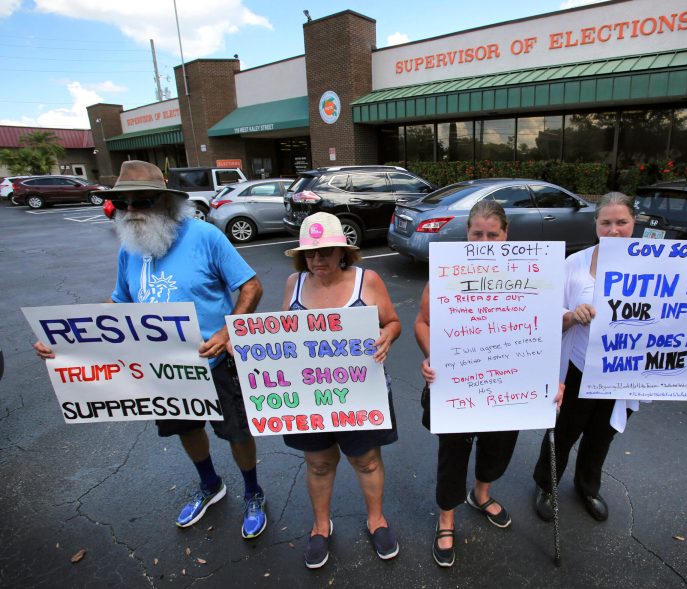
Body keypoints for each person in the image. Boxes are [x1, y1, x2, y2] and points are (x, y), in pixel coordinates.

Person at [33, 160, 268, 539]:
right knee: (186, 428)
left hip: (217, 361)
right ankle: (210, 484)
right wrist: (66, 338)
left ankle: (253, 491)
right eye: (123, 203)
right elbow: (119, 304)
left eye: (141, 200)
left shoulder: (205, 236)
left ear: (166, 201)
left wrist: (228, 333)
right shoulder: (130, 248)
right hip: (164, 368)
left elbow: (251, 286)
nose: (131, 211)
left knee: (237, 432)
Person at [532, 192, 687, 523]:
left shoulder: (657, 262)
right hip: (578, 366)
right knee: (564, 431)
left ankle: (587, 487)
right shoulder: (574, 264)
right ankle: (546, 485)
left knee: (602, 434)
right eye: (606, 222)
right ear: (595, 223)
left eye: (622, 222)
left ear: (634, 223)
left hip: (624, 369)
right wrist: (572, 315)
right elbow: (547, 313)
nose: (613, 230)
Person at [414, 200, 562, 568]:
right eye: (476, 234)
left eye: (492, 234)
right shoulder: (447, 272)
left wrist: (550, 379)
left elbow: (544, 331)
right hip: (459, 383)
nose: (483, 242)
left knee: (499, 444)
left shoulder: (532, 273)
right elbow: (423, 322)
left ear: (505, 234)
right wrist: (434, 356)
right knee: (453, 451)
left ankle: (480, 494)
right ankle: (446, 518)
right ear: (466, 233)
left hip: (509, 385)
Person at [281, 212, 402, 569]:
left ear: (342, 252)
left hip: (361, 392)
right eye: (310, 253)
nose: (317, 259)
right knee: (318, 463)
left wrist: (387, 336)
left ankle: (376, 520)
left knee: (366, 460)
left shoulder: (368, 281)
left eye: (326, 251)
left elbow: (393, 322)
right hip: (310, 395)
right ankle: (321, 526)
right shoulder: (294, 284)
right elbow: (280, 335)